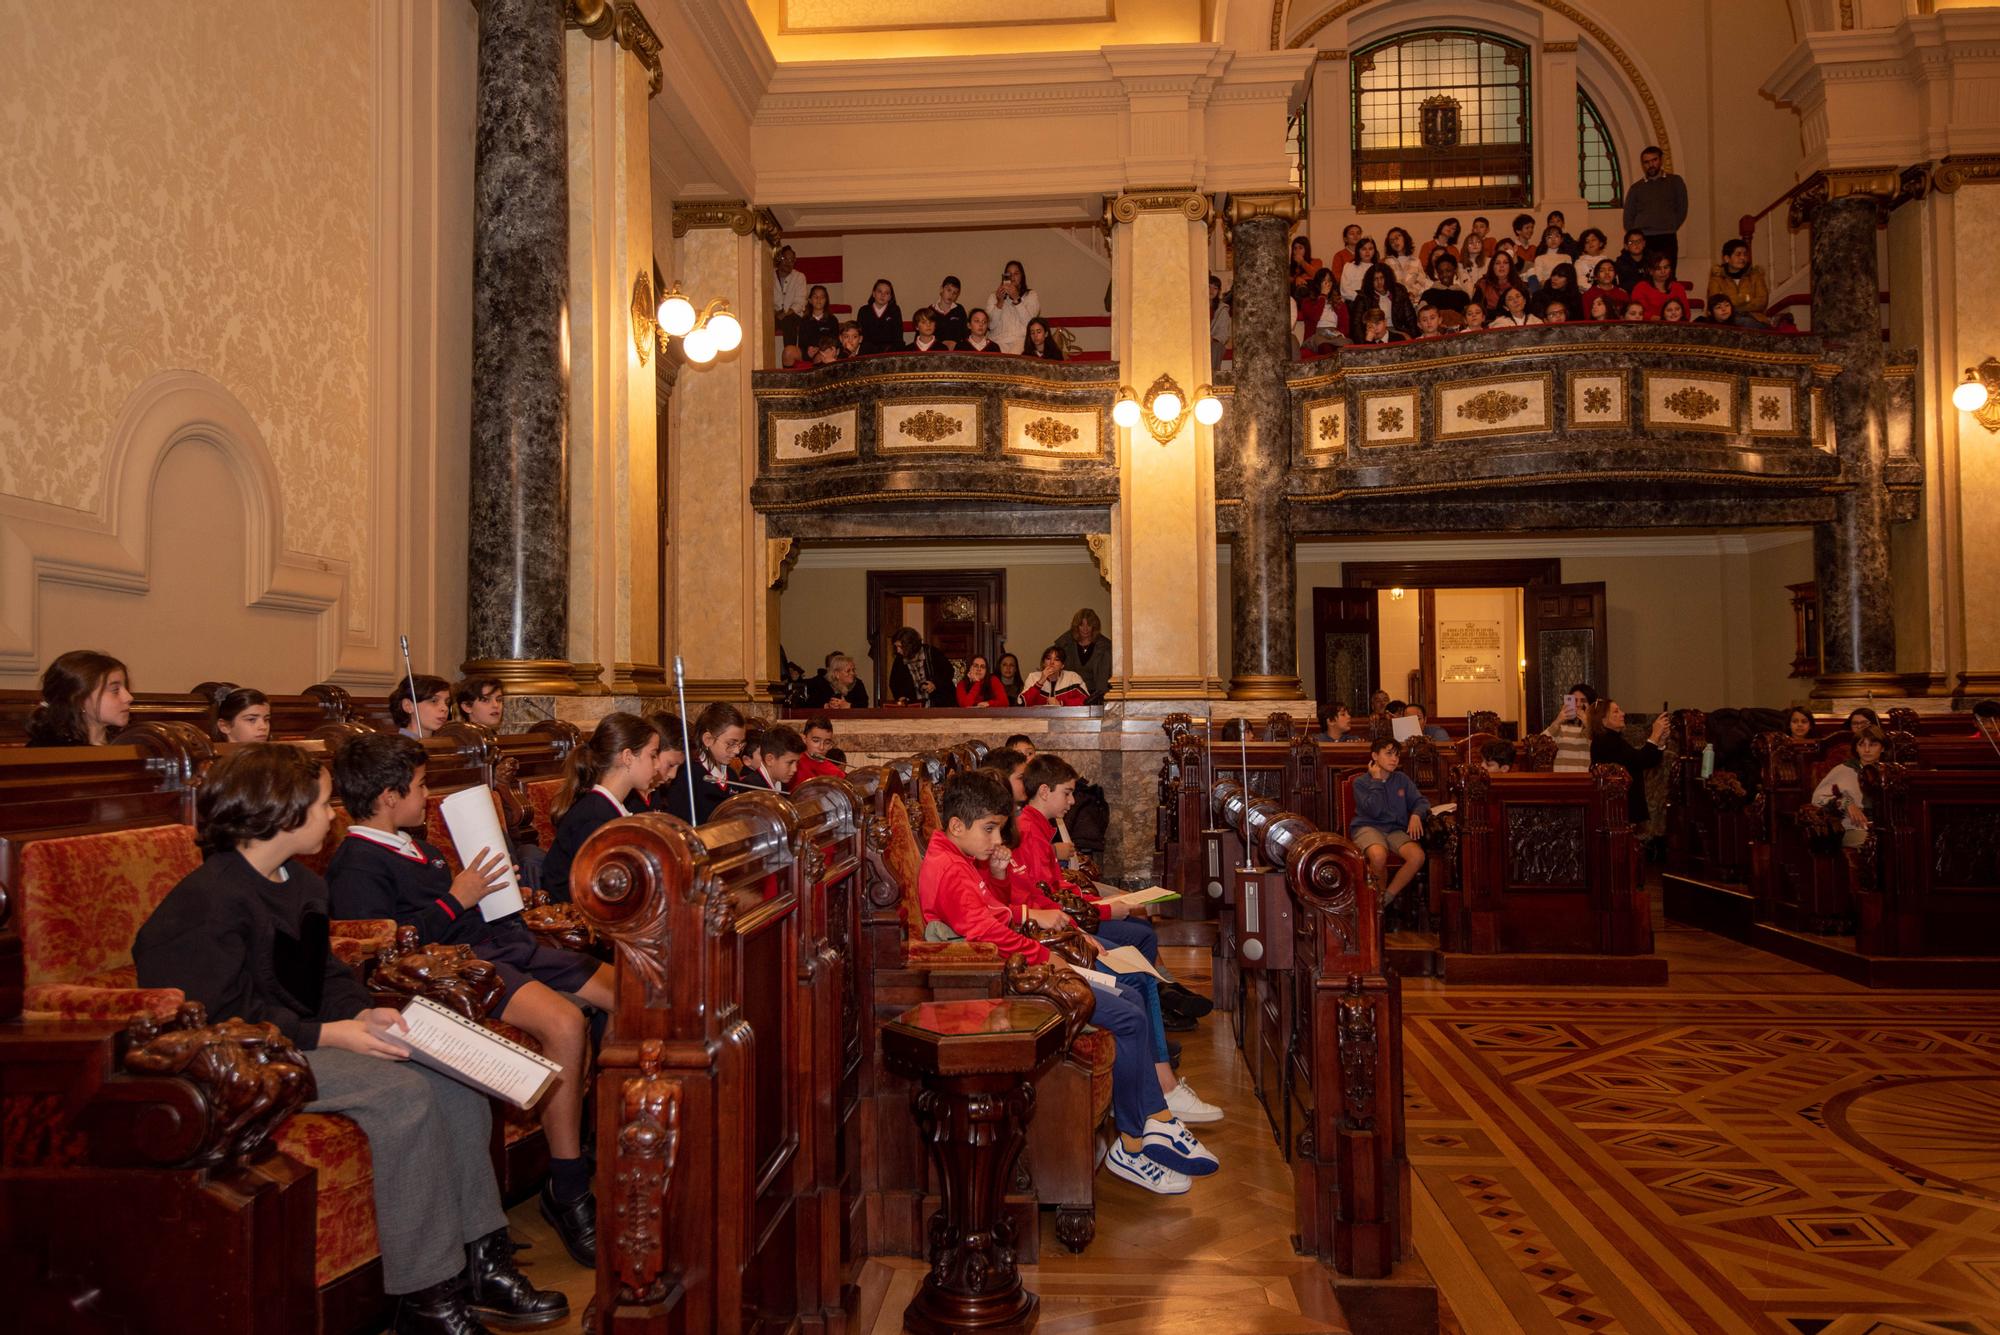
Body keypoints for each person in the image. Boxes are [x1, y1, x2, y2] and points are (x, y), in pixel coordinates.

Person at [133, 744, 569, 1333]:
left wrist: (364, 1015)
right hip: (245, 1057)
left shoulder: (298, 885)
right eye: (320, 803)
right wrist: (330, 1033)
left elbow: (326, 975)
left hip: (306, 1036)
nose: (334, 814)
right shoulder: (209, 901)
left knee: (458, 1081)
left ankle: (483, 1261)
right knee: (402, 1096)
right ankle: (427, 1297)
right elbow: (215, 1019)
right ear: (280, 814)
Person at [326, 733, 608, 1268]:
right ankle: (568, 1187)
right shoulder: (357, 862)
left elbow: (462, 911)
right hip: (450, 971)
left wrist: (500, 899)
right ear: (388, 796)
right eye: (418, 786)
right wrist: (459, 897)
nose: (425, 796)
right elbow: (391, 946)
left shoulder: (420, 847)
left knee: (623, 991)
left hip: (494, 945)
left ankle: (608, 1146)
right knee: (566, 1023)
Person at [919, 771, 1218, 1195]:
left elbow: (992, 914)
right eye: (989, 829)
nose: (996, 840)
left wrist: (1001, 879)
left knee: (1130, 994)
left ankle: (1156, 1122)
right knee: (1130, 1017)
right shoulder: (949, 867)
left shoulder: (958, 857)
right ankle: (1133, 1144)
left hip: (1020, 964)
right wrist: (1051, 958)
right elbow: (985, 934)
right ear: (955, 825)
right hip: (1009, 980)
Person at [539, 714, 659, 902]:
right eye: (652, 755)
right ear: (628, 757)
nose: (657, 765)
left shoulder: (612, 807)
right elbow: (598, 892)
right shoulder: (593, 818)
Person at [1349, 738, 1429, 903]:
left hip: (1394, 829)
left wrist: (1416, 815)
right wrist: (1377, 780)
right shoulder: (1361, 782)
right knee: (1378, 856)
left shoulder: (1401, 779)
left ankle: (1385, 899)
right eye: (1389, 754)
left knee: (1417, 856)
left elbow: (1421, 802)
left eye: (1397, 755)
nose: (1394, 759)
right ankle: (1376, 902)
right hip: (1368, 827)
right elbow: (1374, 811)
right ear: (1375, 756)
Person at [651, 702, 747, 825]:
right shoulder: (687, 774)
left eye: (740, 744)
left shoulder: (732, 776)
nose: (737, 750)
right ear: (708, 739)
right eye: (731, 743)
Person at [1589, 698, 1671, 826]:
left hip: (1621, 810)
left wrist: (1660, 742)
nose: (1623, 714)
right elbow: (1639, 760)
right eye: (1616, 712)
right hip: (1615, 812)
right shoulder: (1604, 741)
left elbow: (1645, 761)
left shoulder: (1614, 739)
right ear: (1603, 720)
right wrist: (1655, 734)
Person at [26, 649, 131, 746]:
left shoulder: (132, 743)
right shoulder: (49, 753)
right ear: (79, 700)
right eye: (115, 690)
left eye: (126, 688)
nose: (129, 697)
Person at [1811, 724, 1885, 846]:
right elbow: (1817, 799)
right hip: (1853, 827)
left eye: (1872, 745)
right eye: (1861, 745)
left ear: (1882, 748)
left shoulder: (1890, 772)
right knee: (1872, 844)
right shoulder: (1843, 770)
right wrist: (1846, 803)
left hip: (1883, 827)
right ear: (1856, 748)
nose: (1866, 750)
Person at [1624, 144, 1689, 275]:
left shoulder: (1675, 181)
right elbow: (1628, 216)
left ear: (1660, 160)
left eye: (1654, 160)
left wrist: (1670, 225)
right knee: (1646, 275)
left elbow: (1682, 208)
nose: (1651, 165)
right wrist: (1637, 236)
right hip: (1645, 239)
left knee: (1668, 274)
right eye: (1646, 162)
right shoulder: (1636, 188)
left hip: (1667, 236)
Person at [1055, 607, 1113, 704]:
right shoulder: (1065, 645)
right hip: (1070, 695)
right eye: (1081, 625)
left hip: (1096, 697)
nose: (1085, 629)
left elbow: (1104, 681)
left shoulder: (1105, 647)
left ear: (1094, 626)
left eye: (1089, 625)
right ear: (1076, 626)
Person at [888, 626, 956, 707]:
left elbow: (948, 671)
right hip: (915, 709)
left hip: (940, 706)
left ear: (910, 645)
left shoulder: (932, 653)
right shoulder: (899, 660)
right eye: (896, 647)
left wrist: (935, 684)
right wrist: (901, 696)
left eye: (900, 646)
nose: (898, 650)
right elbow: (894, 683)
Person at [634, 711, 688, 812]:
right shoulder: (629, 797)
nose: (673, 775)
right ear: (653, 754)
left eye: (679, 767)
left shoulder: (657, 792)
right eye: (671, 765)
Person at [1708, 240, 1769, 325]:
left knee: (1745, 321)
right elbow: (1715, 304)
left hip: (1755, 319)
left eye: (1745, 254)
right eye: (1738, 254)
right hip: (1726, 320)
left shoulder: (1756, 276)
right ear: (1727, 258)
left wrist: (1731, 305)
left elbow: (1761, 302)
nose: (1742, 258)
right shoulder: (1717, 279)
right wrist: (1744, 299)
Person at [1348, 263, 1416, 338]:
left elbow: (1410, 318)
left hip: (1398, 330)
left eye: (1382, 278)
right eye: (1375, 279)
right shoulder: (1363, 297)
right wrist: (1364, 343)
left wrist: (1412, 337)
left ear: (1388, 278)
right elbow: (1356, 325)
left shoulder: (1399, 291)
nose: (1379, 282)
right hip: (1375, 333)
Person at [1544, 683, 1598, 772]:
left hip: (1585, 780)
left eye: (1583, 701)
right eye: (1575, 701)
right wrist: (1557, 721)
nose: (1578, 704)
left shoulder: (1596, 728)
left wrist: (1588, 724)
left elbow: (1599, 748)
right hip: (1561, 779)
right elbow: (1539, 745)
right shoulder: (1560, 728)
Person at [989, 260, 1040, 354]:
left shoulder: (1031, 295)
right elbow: (990, 325)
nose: (1012, 277)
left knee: (1013, 361)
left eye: (1016, 273)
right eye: (1009, 274)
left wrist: (1017, 299)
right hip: (997, 341)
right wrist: (1000, 302)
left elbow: (1031, 324)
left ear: (1022, 276)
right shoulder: (994, 296)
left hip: (1020, 340)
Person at [738, 725, 805, 791]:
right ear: (770, 759)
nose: (795, 769)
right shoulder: (750, 789)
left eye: (797, 762)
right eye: (790, 762)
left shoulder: (782, 784)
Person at [1296, 267, 1347, 355]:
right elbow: (1314, 317)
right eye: (1324, 281)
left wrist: (1337, 333)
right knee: (1325, 346)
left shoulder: (1339, 303)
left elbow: (1344, 325)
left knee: (1346, 346)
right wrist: (1323, 296)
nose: (1327, 284)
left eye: (1330, 281)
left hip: (1334, 334)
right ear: (1318, 283)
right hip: (1316, 335)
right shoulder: (1307, 302)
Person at [773, 244, 808, 362]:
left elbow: (800, 301)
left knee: (789, 321)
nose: (789, 263)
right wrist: (774, 312)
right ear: (779, 259)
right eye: (786, 259)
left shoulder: (799, 277)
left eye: (792, 260)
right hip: (775, 314)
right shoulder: (770, 275)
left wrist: (786, 313)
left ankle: (790, 358)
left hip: (793, 315)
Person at [1631, 252, 1691, 321]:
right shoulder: (1641, 288)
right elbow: (1637, 312)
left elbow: (1686, 313)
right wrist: (1661, 320)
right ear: (1650, 271)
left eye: (1666, 267)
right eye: (1658, 268)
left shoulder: (1678, 287)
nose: (1663, 271)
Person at [1021, 645, 1088, 706]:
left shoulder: (1072, 677)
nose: (1051, 662)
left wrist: (1062, 703)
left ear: (1062, 665)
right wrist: (1040, 682)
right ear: (1043, 663)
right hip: (1038, 718)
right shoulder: (1033, 677)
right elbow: (1022, 703)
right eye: (1048, 658)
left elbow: (1087, 701)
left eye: (1056, 659)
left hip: (1066, 718)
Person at [791, 715, 845, 789]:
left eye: (827, 743)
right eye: (816, 741)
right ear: (804, 739)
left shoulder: (836, 773)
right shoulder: (793, 764)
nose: (821, 747)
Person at [392, 674, 451, 740]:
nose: (445, 708)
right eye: (434, 701)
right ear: (408, 706)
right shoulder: (397, 747)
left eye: (447, 702)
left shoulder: (443, 744)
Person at [802, 652, 868, 709]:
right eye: (848, 671)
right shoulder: (821, 684)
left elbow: (864, 706)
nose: (852, 673)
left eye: (853, 670)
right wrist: (827, 706)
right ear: (837, 674)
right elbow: (808, 704)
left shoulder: (858, 684)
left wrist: (848, 705)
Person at [856, 278, 904, 354]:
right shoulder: (864, 311)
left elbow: (898, 337)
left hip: (889, 352)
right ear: (873, 293)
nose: (883, 295)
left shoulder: (895, 311)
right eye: (879, 291)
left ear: (890, 297)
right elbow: (861, 336)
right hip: (867, 352)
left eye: (887, 293)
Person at [1474, 249, 1526, 315]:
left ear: (1510, 266)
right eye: (1497, 263)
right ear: (1492, 267)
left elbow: (1526, 309)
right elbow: (1476, 310)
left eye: (1505, 262)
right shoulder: (1483, 285)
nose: (1501, 266)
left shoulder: (1518, 284)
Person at [797, 284, 839, 361]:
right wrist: (809, 349)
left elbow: (835, 341)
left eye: (822, 297)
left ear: (826, 300)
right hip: (808, 352)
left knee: (821, 356)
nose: (819, 299)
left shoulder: (832, 320)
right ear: (810, 300)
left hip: (824, 351)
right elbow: (801, 342)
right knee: (788, 352)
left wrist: (820, 348)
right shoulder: (804, 320)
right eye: (815, 297)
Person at [1420, 254, 1470, 319]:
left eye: (1448, 271)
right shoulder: (1428, 295)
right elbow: (1421, 317)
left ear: (1455, 271)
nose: (1444, 275)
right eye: (1440, 272)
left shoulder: (1463, 296)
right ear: (1437, 273)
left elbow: (1467, 318)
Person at [926, 275, 969, 348]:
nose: (951, 295)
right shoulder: (931, 310)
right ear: (941, 289)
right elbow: (925, 334)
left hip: (956, 351)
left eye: (955, 293)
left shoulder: (959, 310)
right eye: (948, 290)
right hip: (936, 350)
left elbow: (966, 334)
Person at [1383, 227, 1424, 293]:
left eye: (1397, 238)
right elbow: (1386, 283)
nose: (1395, 242)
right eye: (1391, 241)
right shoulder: (1388, 262)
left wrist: (1413, 293)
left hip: (1414, 299)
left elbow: (1422, 282)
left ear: (1405, 238)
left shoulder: (1416, 261)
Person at [1613, 228, 1651, 293]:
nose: (1636, 244)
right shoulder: (1620, 263)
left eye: (1639, 241)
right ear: (1626, 246)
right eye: (1631, 242)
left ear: (1644, 243)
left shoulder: (1652, 260)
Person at [1289, 235, 1324, 302]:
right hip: (1294, 297)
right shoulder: (1290, 267)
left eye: (1300, 248)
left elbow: (1316, 276)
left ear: (1306, 249)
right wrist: (1296, 278)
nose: (1297, 251)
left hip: (1311, 295)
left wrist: (1302, 262)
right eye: (1295, 248)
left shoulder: (1317, 261)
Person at [1208, 275, 1232, 369]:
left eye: (1215, 288)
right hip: (1199, 342)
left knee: (1216, 347)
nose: (1211, 290)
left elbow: (1223, 334)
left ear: (1218, 291)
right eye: (1209, 287)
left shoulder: (1222, 309)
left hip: (1215, 342)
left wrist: (1213, 339)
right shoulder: (1196, 306)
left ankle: (1211, 379)